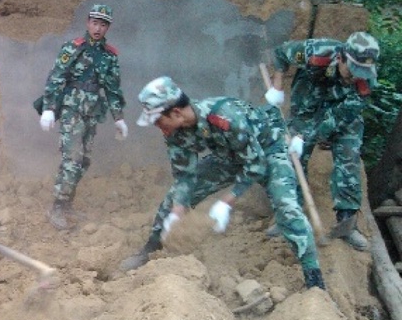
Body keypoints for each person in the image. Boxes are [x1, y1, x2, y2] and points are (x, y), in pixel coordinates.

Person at [119, 76, 325, 290]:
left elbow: (256, 164)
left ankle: (315, 281)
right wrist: (178, 209)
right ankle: (150, 250)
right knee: (172, 199)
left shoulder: (225, 116)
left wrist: (227, 201)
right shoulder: (174, 132)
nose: (156, 126)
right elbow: (184, 175)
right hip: (228, 157)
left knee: (287, 208)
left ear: (176, 112)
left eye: (157, 120)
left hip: (268, 150)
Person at [266, 31, 380, 251]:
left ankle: (347, 224)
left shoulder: (366, 81)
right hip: (307, 105)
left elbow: (339, 117)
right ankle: (289, 216)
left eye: (362, 73)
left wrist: (307, 135)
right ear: (341, 58)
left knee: (349, 157)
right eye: (352, 70)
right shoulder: (316, 53)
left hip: (341, 113)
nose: (356, 77)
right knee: (292, 158)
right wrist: (277, 86)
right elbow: (281, 53)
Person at [38, 4, 128, 230]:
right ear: (88, 23)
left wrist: (119, 118)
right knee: (72, 158)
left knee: (84, 160)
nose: (98, 28)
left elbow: (112, 88)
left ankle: (67, 204)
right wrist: (49, 108)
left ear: (108, 27)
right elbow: (56, 77)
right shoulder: (73, 47)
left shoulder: (110, 56)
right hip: (72, 110)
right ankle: (57, 206)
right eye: (95, 23)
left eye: (103, 24)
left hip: (92, 113)